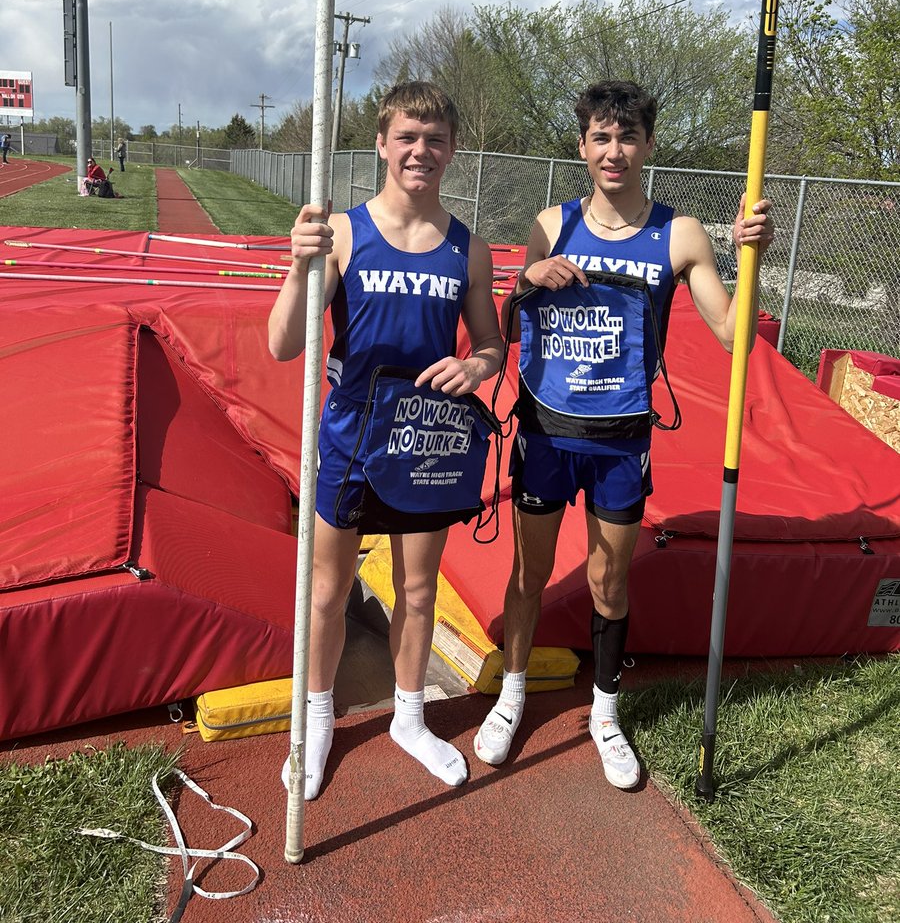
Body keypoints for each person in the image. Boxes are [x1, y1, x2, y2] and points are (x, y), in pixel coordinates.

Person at [473, 80, 773, 789]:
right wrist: (525, 282)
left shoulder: (683, 233)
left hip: (620, 441)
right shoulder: (550, 223)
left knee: (609, 583)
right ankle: (513, 694)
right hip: (546, 432)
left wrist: (750, 256)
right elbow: (507, 323)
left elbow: (735, 337)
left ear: (649, 145)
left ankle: (605, 714)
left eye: (628, 136)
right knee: (529, 574)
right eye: (601, 138)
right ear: (583, 147)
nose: (615, 151)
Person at [268, 81, 503, 800]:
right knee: (329, 590)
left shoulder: (468, 248)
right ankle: (316, 719)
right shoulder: (342, 232)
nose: (420, 152)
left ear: (452, 149)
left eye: (434, 140)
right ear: (381, 143)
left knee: (418, 589)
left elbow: (492, 348)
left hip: (427, 442)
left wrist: (473, 366)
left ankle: (408, 717)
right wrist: (298, 265)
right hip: (349, 438)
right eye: (407, 137)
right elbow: (282, 344)